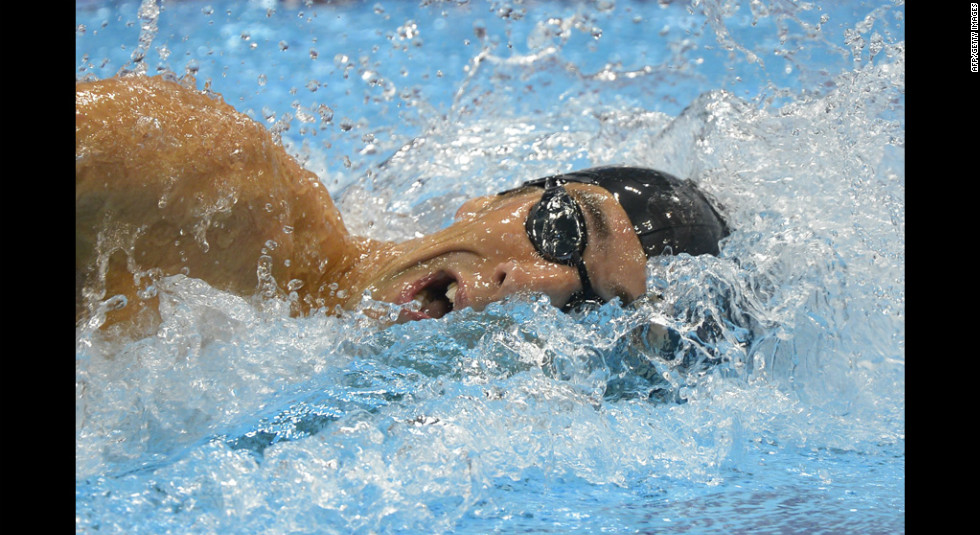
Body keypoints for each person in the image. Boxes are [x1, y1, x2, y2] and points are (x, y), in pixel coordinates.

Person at [76, 75, 729, 332]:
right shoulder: (221, 183)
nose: (531, 282)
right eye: (559, 229)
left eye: (585, 305)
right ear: (490, 198)